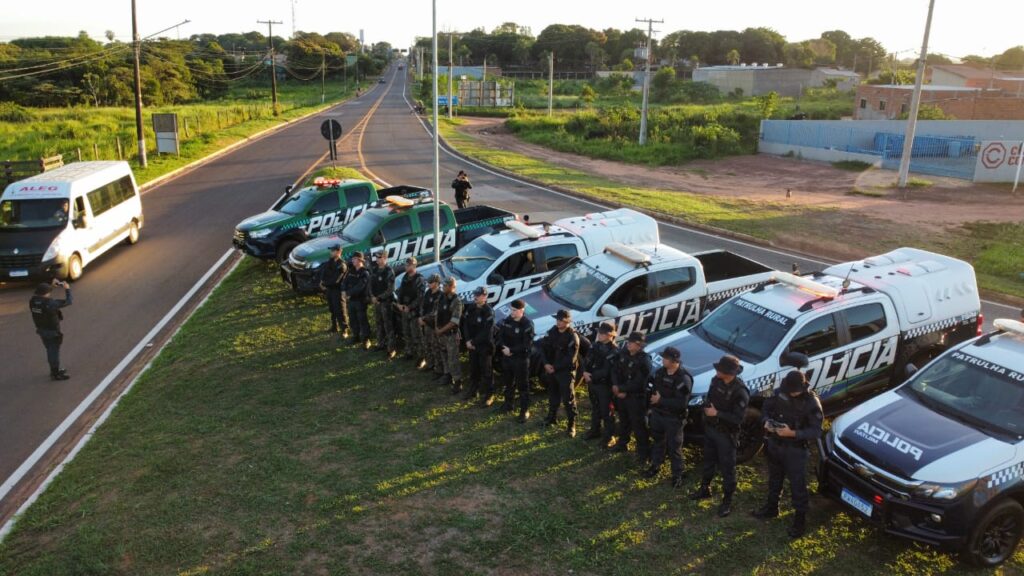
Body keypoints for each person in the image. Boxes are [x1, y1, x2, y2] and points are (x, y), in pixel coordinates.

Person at [752, 370, 824, 539]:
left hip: (795, 450)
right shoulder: (779, 392)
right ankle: (771, 508)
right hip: (775, 444)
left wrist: (792, 433)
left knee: (798, 487)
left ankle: (800, 522)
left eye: (794, 390)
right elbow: (765, 409)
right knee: (774, 479)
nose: (791, 393)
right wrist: (767, 423)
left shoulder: (811, 402)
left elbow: (816, 431)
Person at [690, 354, 749, 518]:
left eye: (720, 370)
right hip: (711, 429)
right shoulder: (715, 380)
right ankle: (704, 488)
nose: (716, 371)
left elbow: (738, 419)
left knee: (727, 468)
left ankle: (727, 501)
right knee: (708, 460)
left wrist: (718, 413)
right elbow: (709, 397)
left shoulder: (740, 391)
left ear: (729, 373)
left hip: (726, 434)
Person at [644, 346, 694, 488]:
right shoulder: (660, 373)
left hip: (673, 419)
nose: (662, 360)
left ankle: (677, 474)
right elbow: (654, 391)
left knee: (674, 447)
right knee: (658, 441)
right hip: (658, 415)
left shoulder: (683, 379)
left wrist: (661, 400)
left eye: (665, 358)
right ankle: (655, 465)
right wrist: (652, 408)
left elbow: (681, 403)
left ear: (673, 361)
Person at [611, 332, 652, 465]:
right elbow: (615, 370)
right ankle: (622, 443)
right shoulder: (623, 353)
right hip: (621, 394)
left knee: (638, 426)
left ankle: (643, 453)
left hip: (636, 398)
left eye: (631, 342)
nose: (628, 344)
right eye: (628, 341)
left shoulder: (644, 361)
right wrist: (616, 386)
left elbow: (639, 383)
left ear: (639, 345)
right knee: (624, 421)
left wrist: (623, 390)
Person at [541, 309, 581, 437]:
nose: (558, 322)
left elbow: (570, 359)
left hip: (565, 372)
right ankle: (551, 417)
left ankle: (571, 425)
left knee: (568, 399)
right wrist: (546, 363)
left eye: (561, 320)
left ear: (567, 322)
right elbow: (544, 347)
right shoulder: (553, 331)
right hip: (552, 370)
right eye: (557, 320)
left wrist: (554, 367)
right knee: (553, 395)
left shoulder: (572, 337)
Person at [495, 299, 535, 423]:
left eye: (514, 310)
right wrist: (503, 348)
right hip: (507, 358)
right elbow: (500, 337)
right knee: (508, 383)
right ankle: (508, 404)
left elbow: (527, 345)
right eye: (511, 309)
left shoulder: (527, 325)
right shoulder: (507, 321)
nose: (511, 312)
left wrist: (511, 350)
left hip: (520, 360)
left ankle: (524, 410)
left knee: (523, 386)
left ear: (522, 311)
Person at [582, 322, 618, 447]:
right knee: (595, 408)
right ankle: (595, 430)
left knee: (606, 411)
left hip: (605, 386)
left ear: (610, 335)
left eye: (603, 333)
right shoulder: (595, 346)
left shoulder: (614, 351)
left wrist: (591, 376)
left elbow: (608, 371)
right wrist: (585, 372)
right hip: (593, 383)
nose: (600, 335)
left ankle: (609, 436)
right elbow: (587, 360)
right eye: (599, 332)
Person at [29, 279, 72, 380]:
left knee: (49, 349)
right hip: (52, 331)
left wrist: (51, 287)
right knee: (53, 352)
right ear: (46, 293)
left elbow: (43, 296)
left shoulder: (33, 301)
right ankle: (55, 373)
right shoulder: (50, 303)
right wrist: (67, 289)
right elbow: (69, 301)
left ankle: (54, 370)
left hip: (41, 330)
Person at [462, 286, 495, 405]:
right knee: (473, 369)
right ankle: (473, 390)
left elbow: (486, 332)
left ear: (485, 297)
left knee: (486, 371)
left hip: (484, 346)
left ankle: (489, 394)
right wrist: (467, 340)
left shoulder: (488, 312)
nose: (475, 297)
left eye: (478, 295)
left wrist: (473, 342)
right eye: (475, 294)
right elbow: (465, 324)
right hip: (471, 344)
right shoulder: (471, 308)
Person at [434, 276, 464, 392]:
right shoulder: (442, 297)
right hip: (441, 333)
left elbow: (454, 321)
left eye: (446, 286)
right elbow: (437, 313)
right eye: (443, 285)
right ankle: (447, 374)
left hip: (451, 334)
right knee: (444, 354)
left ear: (452, 287)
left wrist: (440, 330)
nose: (443, 287)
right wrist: (437, 327)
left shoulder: (457, 301)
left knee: (453, 358)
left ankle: (457, 381)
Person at [396, 257, 426, 363]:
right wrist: (399, 304)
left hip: (414, 312)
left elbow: (420, 298)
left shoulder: (419, 279)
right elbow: (401, 291)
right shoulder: (405, 277)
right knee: (406, 332)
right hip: (404, 309)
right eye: (406, 265)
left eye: (408, 265)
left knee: (416, 335)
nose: (406, 267)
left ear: (414, 266)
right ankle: (409, 352)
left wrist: (410, 307)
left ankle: (421, 357)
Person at [369, 250, 397, 358]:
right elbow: (370, 284)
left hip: (385, 302)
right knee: (378, 323)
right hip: (376, 302)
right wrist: (372, 296)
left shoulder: (389, 271)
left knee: (388, 325)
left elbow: (390, 289)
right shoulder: (375, 270)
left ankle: (391, 348)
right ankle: (380, 343)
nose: (377, 260)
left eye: (380, 258)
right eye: (376, 258)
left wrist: (379, 298)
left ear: (385, 258)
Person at [342, 251, 372, 349]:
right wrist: (343, 290)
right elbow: (345, 281)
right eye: (352, 259)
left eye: (354, 259)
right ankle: (356, 336)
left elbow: (360, 287)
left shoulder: (365, 273)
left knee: (362, 319)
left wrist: (348, 293)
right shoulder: (351, 271)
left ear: (360, 260)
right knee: (353, 319)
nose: (352, 260)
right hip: (351, 300)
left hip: (360, 300)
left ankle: (366, 339)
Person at [318, 244, 349, 337]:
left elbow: (336, 280)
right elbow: (324, 272)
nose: (330, 252)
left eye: (333, 250)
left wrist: (324, 284)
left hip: (338, 290)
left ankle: (344, 329)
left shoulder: (341, 265)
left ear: (339, 252)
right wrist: (322, 282)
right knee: (332, 308)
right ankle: (334, 326)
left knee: (340, 309)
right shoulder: (330, 262)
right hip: (330, 290)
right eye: (331, 250)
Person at [418, 274, 444, 376]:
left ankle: (439, 369)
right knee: (427, 345)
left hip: (434, 325)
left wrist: (424, 319)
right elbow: (423, 306)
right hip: (425, 324)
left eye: (431, 282)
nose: (428, 284)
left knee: (435, 347)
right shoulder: (428, 292)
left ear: (437, 283)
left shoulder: (440, 295)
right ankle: (430, 364)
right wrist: (421, 317)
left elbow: (435, 312)